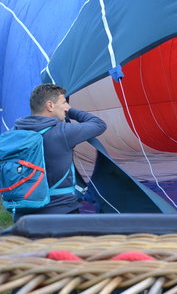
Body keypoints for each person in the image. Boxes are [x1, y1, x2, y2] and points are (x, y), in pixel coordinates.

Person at [11, 83, 107, 220]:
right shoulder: (63, 132)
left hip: (23, 214)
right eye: (64, 103)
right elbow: (99, 124)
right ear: (50, 105)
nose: (67, 106)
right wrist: (71, 111)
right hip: (60, 214)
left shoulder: (14, 132)